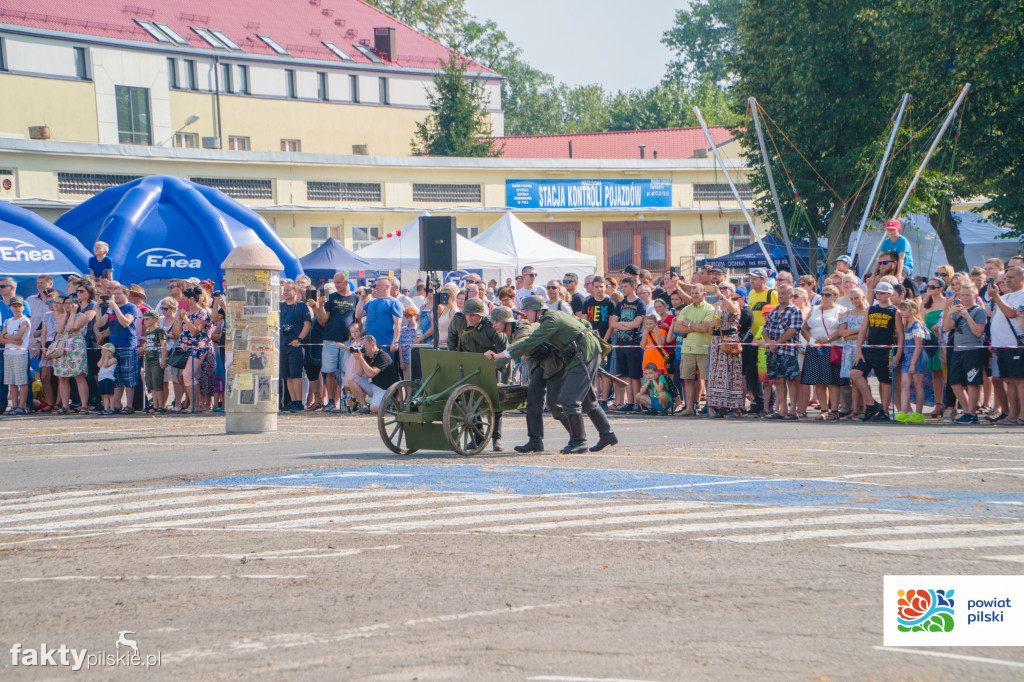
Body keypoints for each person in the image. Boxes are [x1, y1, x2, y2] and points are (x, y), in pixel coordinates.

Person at [486, 297, 616, 454]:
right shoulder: (555, 316)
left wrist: (501, 355)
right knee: (588, 401)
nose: (524, 313)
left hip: (583, 354)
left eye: (527, 310)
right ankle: (607, 434)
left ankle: (579, 441)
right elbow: (586, 324)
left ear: (537, 310)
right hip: (581, 354)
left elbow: (530, 342)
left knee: (569, 400)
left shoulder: (550, 320)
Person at [447, 297, 508, 451]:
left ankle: (497, 439)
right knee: (469, 403)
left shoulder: (490, 326)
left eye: (473, 315)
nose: (469, 318)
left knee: (496, 403)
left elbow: (505, 351)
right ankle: (478, 436)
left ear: (481, 316)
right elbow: (452, 340)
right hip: (468, 365)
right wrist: (456, 358)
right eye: (467, 314)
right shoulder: (458, 321)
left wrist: (495, 365)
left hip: (491, 365)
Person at [851, 281, 900, 421]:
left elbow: (900, 335)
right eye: (877, 293)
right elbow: (863, 330)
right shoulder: (871, 309)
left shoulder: (894, 311)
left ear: (890, 294)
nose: (878, 295)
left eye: (882, 293)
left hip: (886, 350)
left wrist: (897, 355)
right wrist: (859, 350)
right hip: (870, 348)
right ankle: (871, 403)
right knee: (855, 373)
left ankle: (884, 411)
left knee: (884, 381)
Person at [801, 285, 848, 418]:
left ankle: (834, 410)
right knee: (819, 381)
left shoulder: (841, 310)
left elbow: (841, 330)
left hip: (832, 348)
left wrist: (827, 339)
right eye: (823, 294)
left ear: (835, 296)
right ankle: (823, 410)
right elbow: (804, 328)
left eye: (828, 295)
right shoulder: (814, 309)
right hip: (815, 348)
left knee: (833, 381)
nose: (824, 297)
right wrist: (811, 340)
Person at [943, 283, 987, 424]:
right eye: (962, 295)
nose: (965, 298)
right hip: (957, 349)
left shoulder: (979, 311)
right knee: (954, 382)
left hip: (972, 350)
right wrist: (949, 313)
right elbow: (947, 328)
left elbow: (978, 332)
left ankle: (972, 412)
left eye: (968, 295)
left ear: (975, 296)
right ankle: (968, 410)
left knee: (972, 382)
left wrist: (967, 316)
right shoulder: (957, 311)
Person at [94, 285, 140, 414]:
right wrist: (98, 309)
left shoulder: (131, 307)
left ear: (126, 295)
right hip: (114, 347)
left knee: (129, 376)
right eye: (114, 294)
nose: (115, 296)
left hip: (127, 346)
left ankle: (130, 405)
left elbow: (126, 322)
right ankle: (116, 405)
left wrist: (115, 308)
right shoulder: (112, 309)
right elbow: (100, 324)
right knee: (117, 377)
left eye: (118, 294)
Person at [988, 266, 1024, 425]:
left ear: (1022, 279)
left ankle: (1022, 414)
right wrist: (994, 342)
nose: (1007, 280)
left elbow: (1011, 314)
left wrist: (996, 297)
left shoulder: (1021, 296)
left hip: (1015, 345)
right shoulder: (1007, 296)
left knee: (1019, 381)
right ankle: (1012, 413)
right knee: (1009, 380)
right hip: (1002, 346)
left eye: (1011, 277)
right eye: (1006, 277)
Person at [762, 284, 804, 419]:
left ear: (791, 296)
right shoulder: (774, 311)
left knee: (791, 380)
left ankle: (793, 411)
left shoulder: (795, 311)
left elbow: (792, 331)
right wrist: (770, 341)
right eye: (779, 293)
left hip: (788, 351)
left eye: (784, 294)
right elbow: (765, 329)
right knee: (778, 380)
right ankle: (782, 410)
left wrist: (777, 342)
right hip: (773, 351)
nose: (781, 296)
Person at [674, 285, 715, 416]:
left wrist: (688, 324)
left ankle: (711, 408)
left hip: (704, 349)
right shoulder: (686, 309)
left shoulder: (710, 309)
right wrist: (697, 326)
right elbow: (677, 329)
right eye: (692, 293)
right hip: (687, 349)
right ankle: (689, 408)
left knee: (708, 379)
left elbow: (706, 329)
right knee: (687, 379)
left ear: (704, 294)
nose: (694, 295)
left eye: (697, 293)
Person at [706, 282, 745, 418]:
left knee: (731, 372)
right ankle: (719, 406)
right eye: (720, 288)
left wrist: (721, 296)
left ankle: (734, 408)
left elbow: (734, 310)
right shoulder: (717, 306)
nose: (722, 290)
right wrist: (712, 324)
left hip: (729, 340)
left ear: (731, 292)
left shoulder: (734, 303)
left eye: (725, 288)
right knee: (716, 375)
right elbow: (710, 329)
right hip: (716, 341)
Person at [173, 288, 213, 413]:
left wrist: (185, 317)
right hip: (185, 347)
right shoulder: (186, 314)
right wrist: (180, 318)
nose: (181, 301)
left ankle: (195, 405)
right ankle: (193, 404)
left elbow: (195, 330)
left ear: (191, 299)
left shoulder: (202, 313)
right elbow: (177, 333)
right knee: (185, 376)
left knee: (188, 374)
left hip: (198, 347)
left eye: (184, 299)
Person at [609, 275, 646, 412]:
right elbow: (613, 323)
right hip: (621, 342)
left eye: (625, 286)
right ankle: (629, 402)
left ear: (633, 287)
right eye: (622, 287)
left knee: (634, 375)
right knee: (624, 375)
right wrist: (626, 325)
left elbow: (636, 324)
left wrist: (621, 325)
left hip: (633, 343)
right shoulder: (620, 303)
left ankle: (636, 402)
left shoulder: (639, 303)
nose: (623, 289)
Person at [744, 268, 776, 414]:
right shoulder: (750, 294)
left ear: (763, 280)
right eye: (751, 278)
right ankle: (758, 399)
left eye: (755, 278)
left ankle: (770, 402)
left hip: (768, 336)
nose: (751, 281)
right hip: (754, 337)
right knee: (752, 371)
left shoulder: (771, 293)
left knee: (769, 372)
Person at [278, 281, 313, 412]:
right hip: (283, 344)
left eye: (288, 290)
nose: (285, 292)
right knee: (286, 375)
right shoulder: (281, 306)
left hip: (295, 345)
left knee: (296, 375)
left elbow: (307, 324)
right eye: (284, 290)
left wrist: (299, 339)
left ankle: (299, 401)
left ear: (295, 292)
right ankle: (292, 400)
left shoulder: (301, 306)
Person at [581, 276, 615, 410]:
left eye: (602, 286)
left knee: (605, 372)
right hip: (591, 341)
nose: (600, 289)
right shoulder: (587, 303)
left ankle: (604, 399)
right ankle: (594, 397)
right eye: (597, 287)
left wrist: (603, 341)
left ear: (605, 287)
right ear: (592, 288)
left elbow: (611, 325)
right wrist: (591, 339)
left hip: (605, 341)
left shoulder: (610, 303)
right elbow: (585, 322)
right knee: (593, 371)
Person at [52, 296, 90, 415]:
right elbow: (59, 329)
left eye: (70, 303)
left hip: (76, 347)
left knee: (79, 376)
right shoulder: (64, 316)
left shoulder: (82, 317)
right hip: (63, 347)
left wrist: (73, 313)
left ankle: (84, 405)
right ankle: (64, 406)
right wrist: (64, 315)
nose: (68, 306)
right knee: (62, 378)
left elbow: (70, 328)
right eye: (66, 303)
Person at [836, 288, 868, 419]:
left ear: (863, 298)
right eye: (852, 298)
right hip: (849, 350)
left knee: (863, 379)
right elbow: (841, 333)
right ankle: (854, 410)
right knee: (853, 381)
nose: (855, 301)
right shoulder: (847, 314)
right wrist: (859, 330)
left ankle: (866, 409)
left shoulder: (867, 313)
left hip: (862, 349)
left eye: (857, 298)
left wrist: (852, 334)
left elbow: (866, 335)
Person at [895, 299, 928, 423]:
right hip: (907, 356)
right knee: (904, 384)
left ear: (913, 311)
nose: (902, 312)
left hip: (916, 356)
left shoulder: (917, 325)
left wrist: (913, 363)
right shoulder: (906, 324)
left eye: (905, 309)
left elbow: (918, 346)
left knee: (918, 384)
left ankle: (919, 413)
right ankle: (904, 411)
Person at [348, 334, 398, 414]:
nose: (363, 348)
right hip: (373, 385)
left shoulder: (383, 356)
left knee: (374, 409)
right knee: (352, 378)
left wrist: (361, 358)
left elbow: (371, 374)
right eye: (361, 346)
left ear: (372, 345)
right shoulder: (367, 356)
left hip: (385, 389)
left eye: (364, 346)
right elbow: (359, 373)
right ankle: (364, 407)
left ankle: (387, 403)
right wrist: (358, 358)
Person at [356, 277, 402, 362]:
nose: (376, 288)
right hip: (370, 345)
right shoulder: (371, 302)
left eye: (379, 286)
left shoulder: (394, 302)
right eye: (375, 285)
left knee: (384, 372)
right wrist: (362, 298)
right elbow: (358, 315)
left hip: (385, 344)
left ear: (387, 286)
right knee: (369, 371)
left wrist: (395, 341)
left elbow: (398, 324)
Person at [1, 296, 30, 414]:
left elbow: (19, 337)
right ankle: (14, 405)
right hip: (8, 353)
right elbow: (1, 339)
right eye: (14, 306)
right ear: (10, 307)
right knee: (11, 382)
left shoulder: (24, 320)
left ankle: (22, 405)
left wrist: (6, 337)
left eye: (19, 306)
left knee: (22, 381)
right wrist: (11, 339)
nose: (17, 308)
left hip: (20, 353)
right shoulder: (8, 321)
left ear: (23, 307)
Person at [140, 310, 168, 413]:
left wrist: (163, 359)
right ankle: (155, 405)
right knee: (151, 383)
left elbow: (163, 344)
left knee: (157, 382)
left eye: (147, 319)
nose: (145, 321)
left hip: (157, 359)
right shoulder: (147, 332)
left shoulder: (159, 330)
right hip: (148, 359)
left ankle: (161, 405)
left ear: (155, 319)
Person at [397, 306, 419, 381]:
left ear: (415, 316)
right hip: (406, 361)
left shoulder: (418, 329)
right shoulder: (403, 330)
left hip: (415, 360)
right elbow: (400, 346)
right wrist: (401, 361)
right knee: (406, 381)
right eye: (407, 317)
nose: (408, 319)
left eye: (410, 317)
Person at [96, 342, 118, 414]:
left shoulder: (113, 360)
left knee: (110, 394)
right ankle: (106, 408)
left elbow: (105, 365)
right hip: (101, 378)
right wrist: (102, 357)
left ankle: (112, 408)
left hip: (109, 378)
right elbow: (99, 365)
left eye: (105, 352)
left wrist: (107, 357)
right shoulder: (103, 359)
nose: (103, 353)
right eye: (102, 352)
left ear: (111, 352)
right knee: (104, 395)